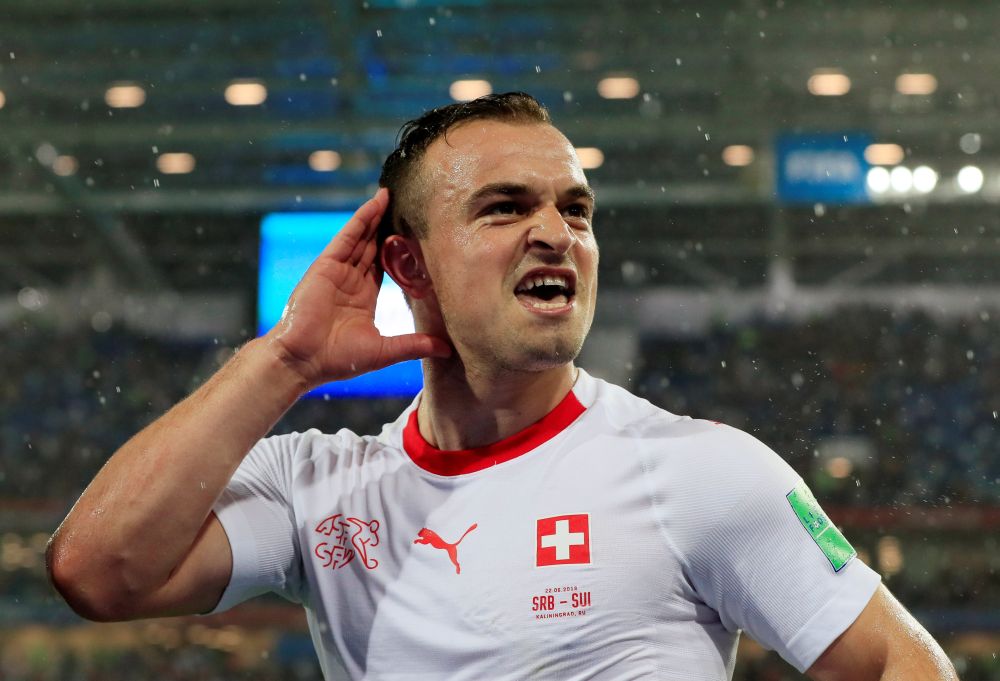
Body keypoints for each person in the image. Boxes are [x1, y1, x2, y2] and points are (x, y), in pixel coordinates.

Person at [48, 92, 957, 680]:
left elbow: (900, 668)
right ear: (408, 262)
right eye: (506, 207)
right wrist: (284, 360)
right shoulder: (317, 486)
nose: (558, 233)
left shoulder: (704, 471)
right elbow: (99, 572)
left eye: (576, 208)